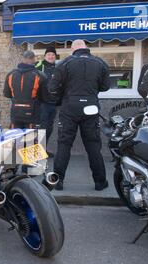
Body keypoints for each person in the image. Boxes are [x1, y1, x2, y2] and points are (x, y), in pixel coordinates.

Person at [49, 39, 110, 191]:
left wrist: (63, 95)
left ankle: (58, 181)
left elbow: (52, 88)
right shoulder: (100, 63)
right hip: (90, 106)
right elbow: (105, 86)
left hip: (70, 107)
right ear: (85, 48)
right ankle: (100, 182)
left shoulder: (64, 63)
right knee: (93, 145)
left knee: (64, 144)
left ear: (73, 49)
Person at [3, 50, 48, 129]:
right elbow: (45, 97)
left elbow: (7, 94)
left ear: (23, 59)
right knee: (33, 140)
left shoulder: (10, 74)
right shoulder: (40, 75)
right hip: (33, 114)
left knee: (16, 139)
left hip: (15, 113)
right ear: (33, 59)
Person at [36, 46, 59, 154]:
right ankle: (38, 150)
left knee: (49, 128)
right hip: (42, 103)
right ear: (45, 56)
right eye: (49, 54)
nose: (51, 56)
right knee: (42, 128)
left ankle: (43, 148)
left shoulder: (58, 68)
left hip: (54, 103)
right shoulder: (39, 66)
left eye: (53, 55)